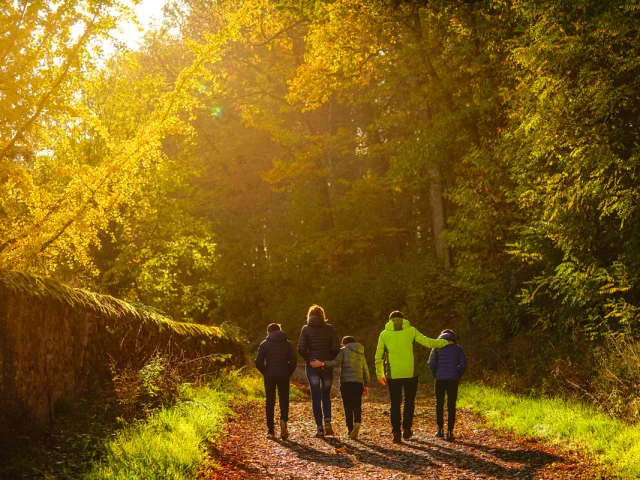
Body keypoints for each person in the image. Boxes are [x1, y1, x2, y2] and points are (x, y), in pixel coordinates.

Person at [375, 310, 449, 443]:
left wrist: (380, 374)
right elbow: (427, 342)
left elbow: (378, 356)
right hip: (410, 373)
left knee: (395, 403)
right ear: (403, 320)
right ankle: (407, 429)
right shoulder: (411, 330)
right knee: (409, 402)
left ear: (390, 320)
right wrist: (444, 342)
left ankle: (396, 432)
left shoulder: (384, 334)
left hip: (393, 375)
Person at [310, 335, 370, 440]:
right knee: (357, 405)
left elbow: (335, 362)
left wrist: (322, 363)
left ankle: (350, 429)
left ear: (344, 344)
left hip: (346, 382)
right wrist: (367, 384)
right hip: (358, 383)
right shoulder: (361, 352)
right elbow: (365, 368)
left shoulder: (343, 351)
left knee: (347, 406)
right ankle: (358, 422)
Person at [298, 305, 340, 437]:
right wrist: (328, 359)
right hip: (326, 366)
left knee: (315, 396)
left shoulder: (306, 329)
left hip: (312, 367)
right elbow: (336, 347)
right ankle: (327, 421)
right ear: (322, 315)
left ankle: (319, 428)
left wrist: (309, 360)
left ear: (309, 315)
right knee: (326, 395)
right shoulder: (330, 329)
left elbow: (301, 348)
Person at [255, 323, 297, 440]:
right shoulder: (287, 344)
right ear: (280, 331)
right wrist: (288, 372)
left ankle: (270, 430)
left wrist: (266, 371)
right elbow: (293, 360)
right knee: (284, 400)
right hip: (283, 374)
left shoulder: (264, 344)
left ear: (268, 332)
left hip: (270, 376)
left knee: (270, 401)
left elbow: (258, 361)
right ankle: (283, 421)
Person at [428, 329, 467, 441]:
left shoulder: (436, 347)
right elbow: (463, 364)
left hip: (440, 379)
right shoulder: (458, 349)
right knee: (451, 405)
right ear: (453, 338)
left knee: (439, 403)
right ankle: (450, 431)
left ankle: (440, 430)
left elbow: (430, 363)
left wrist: (436, 375)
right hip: (452, 380)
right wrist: (457, 375)